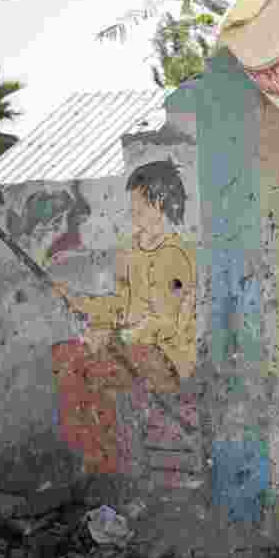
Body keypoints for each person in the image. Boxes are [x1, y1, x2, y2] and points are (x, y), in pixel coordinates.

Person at [49, 160, 197, 474]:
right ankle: (88, 454)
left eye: (139, 203)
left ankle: (104, 464)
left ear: (161, 202)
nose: (133, 210)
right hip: (130, 347)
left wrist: (113, 337)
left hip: (165, 357)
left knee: (91, 369)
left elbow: (163, 321)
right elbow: (121, 305)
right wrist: (79, 301)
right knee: (64, 355)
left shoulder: (174, 255)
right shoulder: (130, 250)